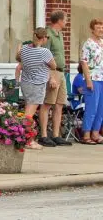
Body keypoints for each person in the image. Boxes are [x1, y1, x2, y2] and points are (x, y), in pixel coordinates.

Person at [17, 28, 56, 150]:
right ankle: (28, 140)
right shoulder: (45, 52)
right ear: (43, 38)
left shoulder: (24, 49)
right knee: (29, 115)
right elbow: (54, 65)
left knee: (27, 111)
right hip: (37, 84)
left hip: (26, 83)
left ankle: (23, 138)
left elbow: (19, 60)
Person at [42, 11, 73, 146]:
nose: (66, 22)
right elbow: (44, 56)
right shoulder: (48, 34)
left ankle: (56, 135)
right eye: (65, 19)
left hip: (61, 73)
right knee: (47, 103)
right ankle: (43, 135)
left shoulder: (59, 34)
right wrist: (50, 77)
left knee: (60, 104)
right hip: (52, 72)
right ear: (59, 20)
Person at [80, 18, 103, 144]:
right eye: (98, 27)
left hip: (102, 79)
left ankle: (96, 133)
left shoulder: (102, 42)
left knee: (101, 109)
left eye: (102, 27)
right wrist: (88, 80)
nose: (101, 29)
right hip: (93, 79)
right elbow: (84, 63)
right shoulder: (88, 44)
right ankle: (86, 135)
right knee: (92, 108)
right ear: (92, 29)